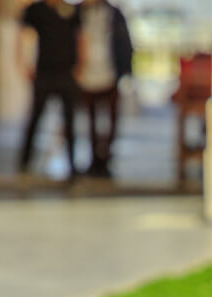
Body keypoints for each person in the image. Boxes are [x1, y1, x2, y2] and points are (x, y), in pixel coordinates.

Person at [17, 0, 83, 180]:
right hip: (44, 72)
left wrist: (80, 65)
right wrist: (24, 62)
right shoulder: (35, 11)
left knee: (69, 121)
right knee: (35, 118)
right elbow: (24, 35)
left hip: (65, 72)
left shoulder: (71, 11)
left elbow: (80, 37)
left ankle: (72, 164)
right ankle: (24, 162)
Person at [76, 0, 133, 178]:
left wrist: (125, 71)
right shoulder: (78, 13)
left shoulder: (114, 14)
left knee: (111, 118)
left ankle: (106, 156)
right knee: (91, 119)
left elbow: (125, 43)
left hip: (110, 72)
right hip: (86, 73)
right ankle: (94, 158)